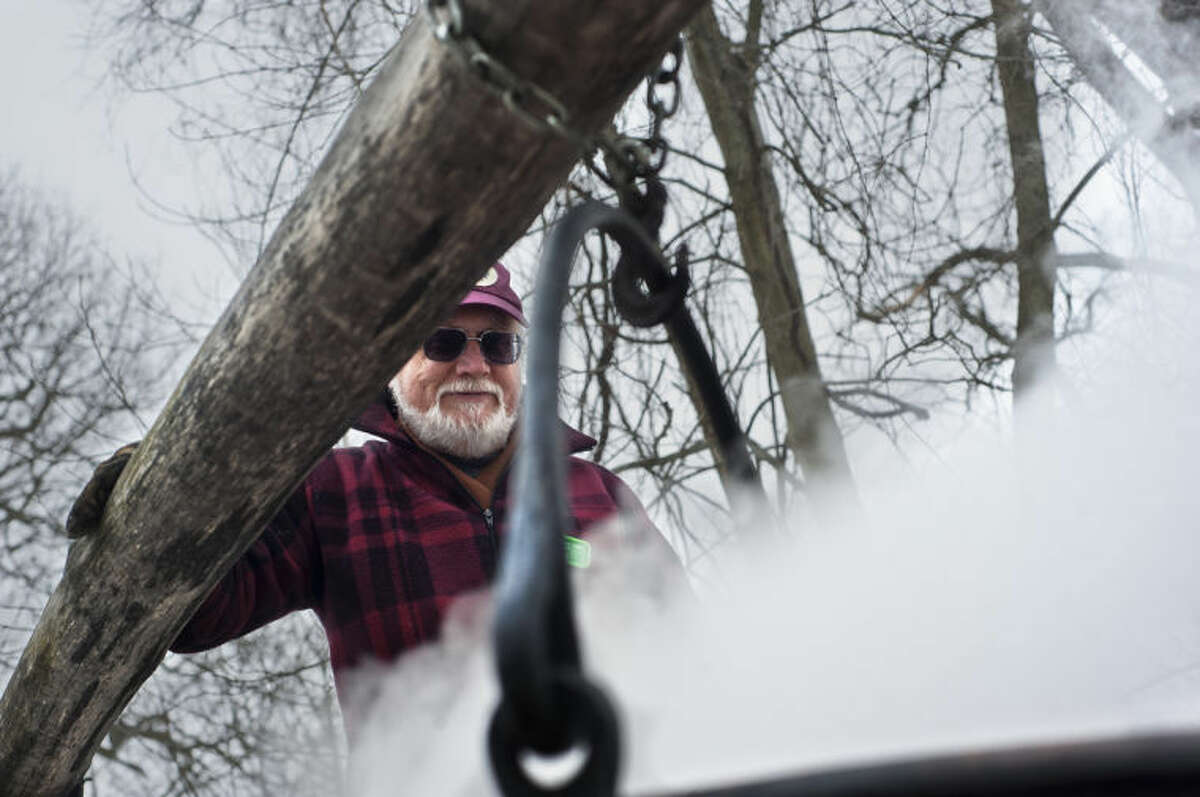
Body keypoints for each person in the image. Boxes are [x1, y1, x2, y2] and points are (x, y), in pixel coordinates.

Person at [67, 262, 677, 709]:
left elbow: (689, 646)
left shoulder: (600, 494)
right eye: (442, 341)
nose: (473, 365)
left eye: (497, 344)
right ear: (392, 367)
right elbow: (198, 615)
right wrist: (160, 501)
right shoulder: (334, 493)